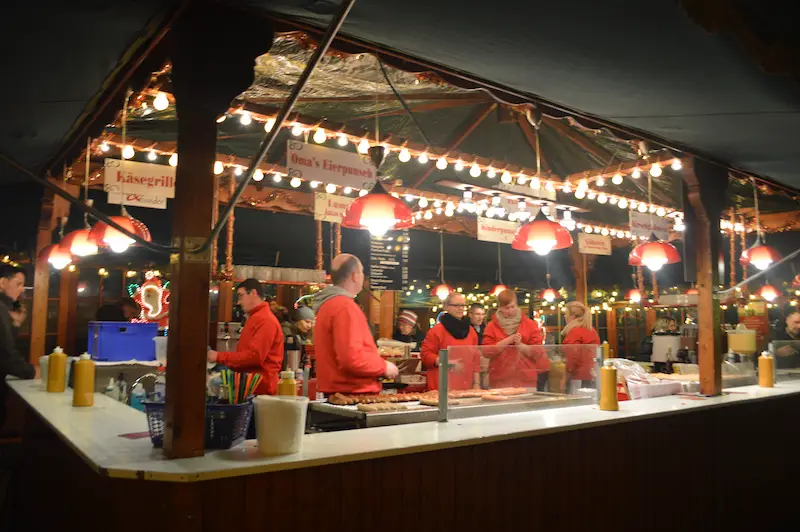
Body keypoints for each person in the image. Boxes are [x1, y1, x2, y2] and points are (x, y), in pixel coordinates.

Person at [313, 254, 398, 395]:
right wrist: (384, 367)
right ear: (354, 275)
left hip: (336, 393)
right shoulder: (345, 307)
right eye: (362, 272)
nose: (363, 277)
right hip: (353, 395)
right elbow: (352, 359)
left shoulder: (328, 305)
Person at [207, 279, 284, 395]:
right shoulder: (256, 318)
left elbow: (254, 357)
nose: (238, 302)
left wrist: (218, 356)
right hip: (252, 387)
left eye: (240, 296)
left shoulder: (265, 320)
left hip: (261, 391)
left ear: (253, 293)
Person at [482, 289, 549, 390]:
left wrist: (521, 346)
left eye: (513, 306)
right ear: (500, 308)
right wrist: (507, 341)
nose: (510, 310)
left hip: (525, 380)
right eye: (506, 308)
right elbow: (486, 351)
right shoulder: (491, 326)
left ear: (517, 305)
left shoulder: (530, 325)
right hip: (499, 380)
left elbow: (538, 351)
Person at [420, 292, 480, 391]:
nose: (460, 308)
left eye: (463, 305)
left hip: (465, 386)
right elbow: (425, 355)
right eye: (456, 305)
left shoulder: (471, 331)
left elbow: (476, 359)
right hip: (441, 386)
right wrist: (447, 362)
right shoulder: (437, 330)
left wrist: (477, 383)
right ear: (446, 307)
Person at [561, 301, 601, 388]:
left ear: (573, 316)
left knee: (577, 400)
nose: (564, 317)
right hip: (592, 374)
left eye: (566, 314)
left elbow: (572, 357)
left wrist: (565, 376)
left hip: (578, 377)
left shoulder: (575, 332)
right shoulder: (591, 330)